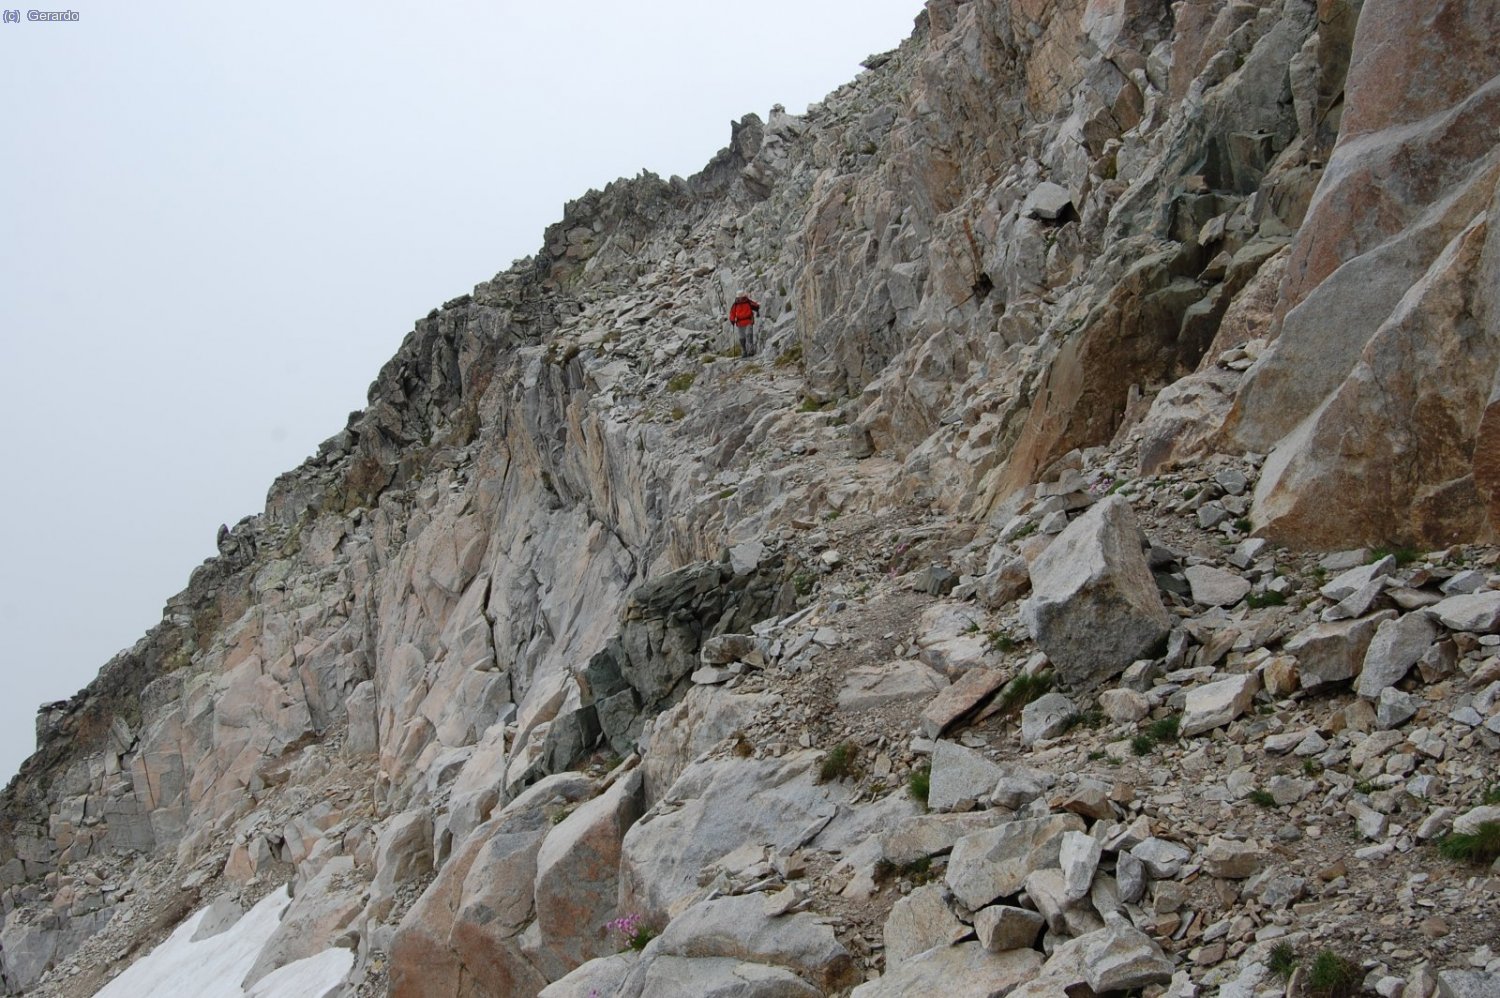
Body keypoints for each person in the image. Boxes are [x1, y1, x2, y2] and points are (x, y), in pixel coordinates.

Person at [728, 290, 761, 357]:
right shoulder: (735, 304)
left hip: (748, 321)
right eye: (740, 297)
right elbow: (732, 313)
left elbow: (755, 305)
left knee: (749, 335)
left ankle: (750, 351)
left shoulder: (747, 301)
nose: (740, 298)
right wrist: (732, 319)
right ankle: (744, 351)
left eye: (741, 296)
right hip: (740, 323)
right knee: (742, 338)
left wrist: (758, 307)